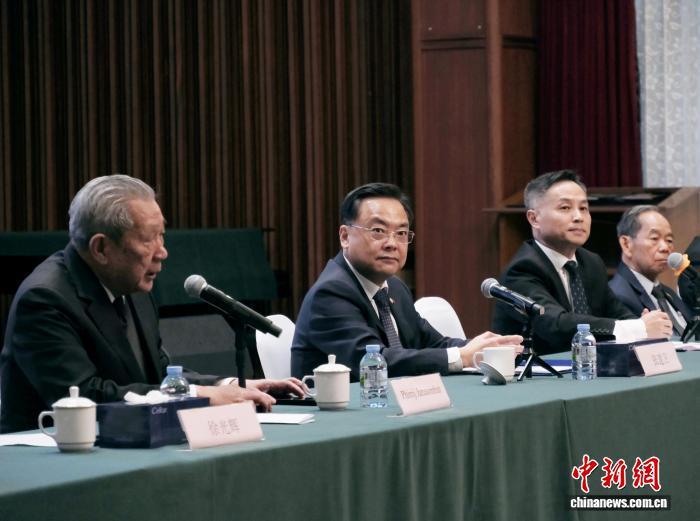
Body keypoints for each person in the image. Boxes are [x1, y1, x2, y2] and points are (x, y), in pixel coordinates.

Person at [0, 175, 304, 433]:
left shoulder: (134, 286)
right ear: (101, 248)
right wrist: (201, 396)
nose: (162, 252)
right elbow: (85, 397)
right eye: (148, 239)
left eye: (162, 236)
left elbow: (159, 374)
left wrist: (229, 385)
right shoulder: (44, 300)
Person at [291, 182, 522, 381]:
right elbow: (374, 361)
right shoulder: (331, 292)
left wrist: (486, 349)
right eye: (378, 230)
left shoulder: (394, 287)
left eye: (401, 233)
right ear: (345, 236)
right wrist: (462, 356)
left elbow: (432, 343)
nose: (392, 243)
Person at [491, 170, 672, 355]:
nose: (578, 217)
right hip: (534, 370)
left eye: (584, 208)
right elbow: (555, 324)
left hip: (585, 366)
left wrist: (643, 323)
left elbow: (616, 312)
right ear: (534, 218)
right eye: (565, 208)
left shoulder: (591, 262)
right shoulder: (523, 269)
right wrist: (636, 328)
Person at [609, 205, 693, 337]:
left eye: (669, 240)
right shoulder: (617, 296)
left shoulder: (668, 293)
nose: (665, 248)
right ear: (626, 244)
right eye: (654, 238)